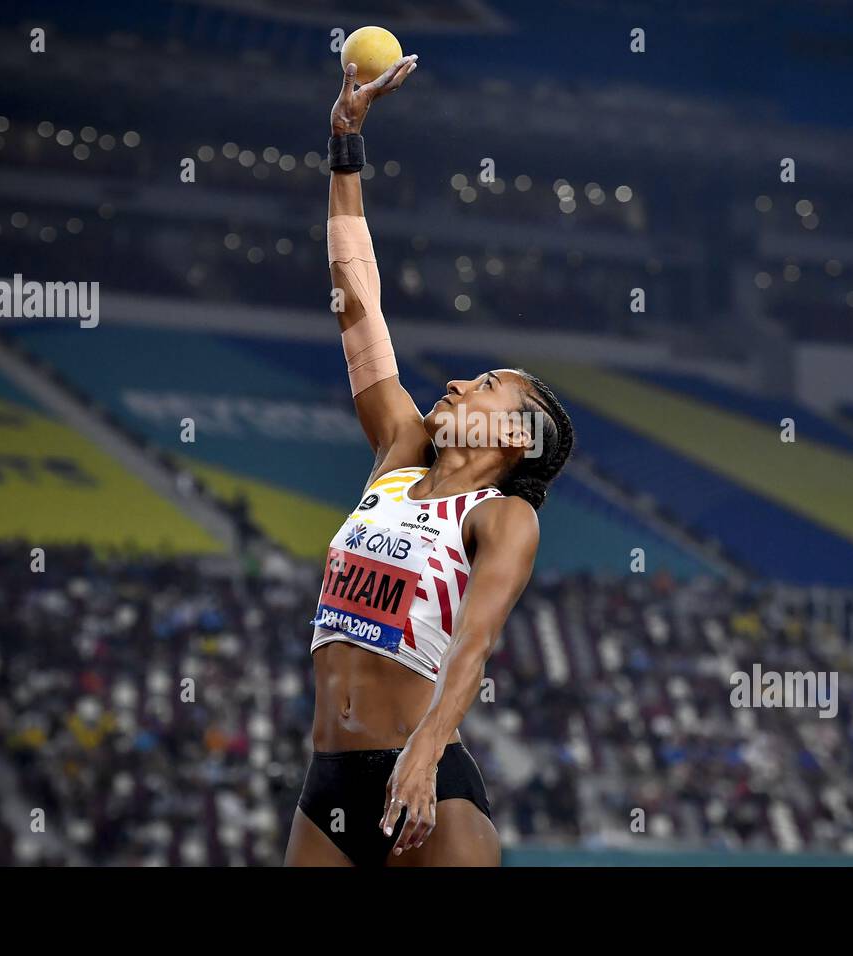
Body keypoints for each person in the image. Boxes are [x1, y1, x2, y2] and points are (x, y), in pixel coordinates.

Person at [284, 54, 575, 867]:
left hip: (427, 779)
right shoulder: (399, 453)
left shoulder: (502, 517)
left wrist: (425, 753)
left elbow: (473, 646)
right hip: (327, 779)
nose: (456, 381)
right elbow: (356, 296)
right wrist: (345, 142)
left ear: (517, 439)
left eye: (485, 385)